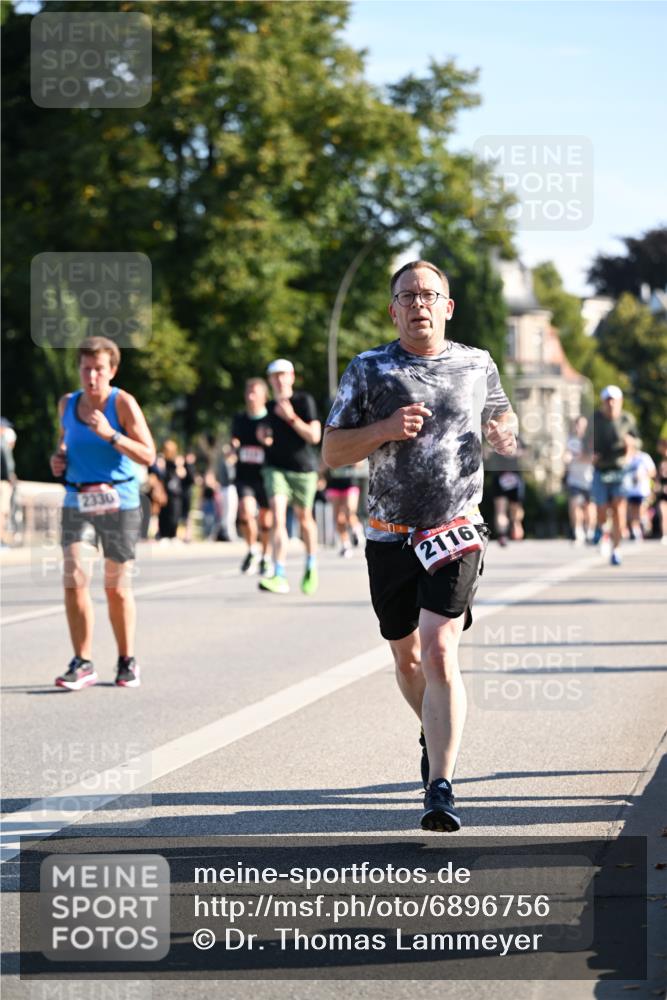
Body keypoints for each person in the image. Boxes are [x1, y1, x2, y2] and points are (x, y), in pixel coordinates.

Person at [323, 260, 517, 833]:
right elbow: (333, 452)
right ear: (393, 309)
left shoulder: (477, 364)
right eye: (407, 296)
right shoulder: (368, 368)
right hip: (390, 534)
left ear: (447, 307)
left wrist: (506, 434)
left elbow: (502, 421)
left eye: (429, 295)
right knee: (407, 657)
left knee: (437, 649)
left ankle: (440, 785)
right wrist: (382, 428)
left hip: (454, 529)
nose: (419, 304)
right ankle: (433, 728)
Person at [49, 336, 156, 690]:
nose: (91, 376)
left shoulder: (122, 403)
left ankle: (127, 659)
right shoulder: (68, 403)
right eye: (85, 369)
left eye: (98, 369)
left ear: (112, 370)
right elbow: (67, 442)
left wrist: (112, 435)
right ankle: (83, 662)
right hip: (77, 499)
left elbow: (148, 455)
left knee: (116, 587)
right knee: (75, 577)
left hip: (119, 501)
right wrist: (58, 459)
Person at [257, 359, 321, 595]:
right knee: (277, 516)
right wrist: (263, 437)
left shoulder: (304, 401)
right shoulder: (268, 407)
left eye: (284, 375)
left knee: (305, 519)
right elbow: (267, 437)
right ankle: (279, 573)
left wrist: (291, 417)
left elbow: (314, 436)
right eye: (275, 376)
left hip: (303, 469)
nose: (280, 380)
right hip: (275, 469)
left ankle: (311, 565)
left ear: (292, 377)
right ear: (270, 381)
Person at [592, 385, 639, 566]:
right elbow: (583, 439)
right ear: (603, 402)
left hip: (620, 469)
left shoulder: (627, 419)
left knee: (619, 511)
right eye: (607, 400)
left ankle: (616, 549)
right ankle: (601, 528)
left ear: (620, 402)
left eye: (614, 400)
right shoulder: (595, 419)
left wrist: (630, 447)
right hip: (601, 469)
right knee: (602, 509)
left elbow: (637, 440)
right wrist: (590, 454)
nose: (611, 404)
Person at [231, 378, 273, 575]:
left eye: (255, 392)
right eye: (248, 392)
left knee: (265, 521)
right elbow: (234, 440)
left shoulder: (270, 419)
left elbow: (277, 444)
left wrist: (268, 441)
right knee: (245, 513)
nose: (250, 396)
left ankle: (266, 555)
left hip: (265, 475)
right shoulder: (239, 418)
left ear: (264, 396)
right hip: (244, 475)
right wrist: (233, 447)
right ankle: (252, 550)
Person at [324, 460, 366, 557]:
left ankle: (356, 529)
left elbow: (359, 464)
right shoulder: (331, 445)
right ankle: (345, 545)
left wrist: (345, 458)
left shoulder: (350, 445)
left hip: (350, 482)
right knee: (338, 518)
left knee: (349, 511)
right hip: (334, 484)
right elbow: (324, 463)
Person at [564, 415, 595, 544]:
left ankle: (590, 531)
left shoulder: (590, 441)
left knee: (589, 507)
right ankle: (578, 532)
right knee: (575, 504)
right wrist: (566, 459)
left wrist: (578, 458)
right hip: (574, 480)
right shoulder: (570, 440)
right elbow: (566, 455)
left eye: (582, 425)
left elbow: (593, 458)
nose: (579, 427)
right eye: (577, 425)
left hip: (589, 479)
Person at [622, 437, 656, 541]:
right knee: (632, 511)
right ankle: (637, 532)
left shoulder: (644, 457)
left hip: (642, 490)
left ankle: (645, 522)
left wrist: (643, 475)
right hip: (630, 490)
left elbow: (653, 471)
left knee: (641, 510)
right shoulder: (627, 458)